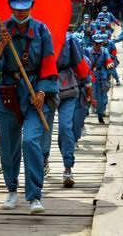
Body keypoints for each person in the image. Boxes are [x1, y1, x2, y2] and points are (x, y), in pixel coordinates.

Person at [0, 0, 57, 214]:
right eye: (16, 8)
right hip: (9, 91)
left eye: (25, 7)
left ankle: (34, 196)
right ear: (10, 6)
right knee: (9, 144)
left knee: (30, 141)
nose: (21, 12)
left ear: (32, 5)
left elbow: (48, 64)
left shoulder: (42, 30)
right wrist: (3, 44)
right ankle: (12, 190)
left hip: (35, 91)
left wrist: (43, 92)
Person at [41, 32, 91, 187]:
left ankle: (68, 167)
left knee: (65, 127)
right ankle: (43, 159)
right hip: (45, 88)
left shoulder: (69, 39)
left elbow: (79, 62)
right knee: (44, 128)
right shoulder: (39, 36)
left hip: (68, 86)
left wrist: (88, 84)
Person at [86, 32, 113, 124]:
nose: (98, 45)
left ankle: (100, 115)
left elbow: (108, 59)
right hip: (90, 75)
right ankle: (85, 111)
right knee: (89, 94)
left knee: (101, 97)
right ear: (92, 43)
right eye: (96, 43)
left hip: (101, 76)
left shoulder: (104, 51)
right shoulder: (87, 51)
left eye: (100, 43)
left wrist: (109, 64)